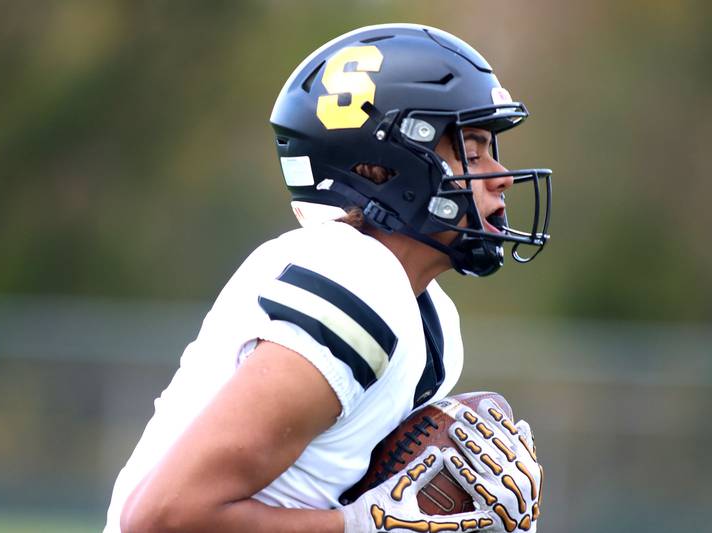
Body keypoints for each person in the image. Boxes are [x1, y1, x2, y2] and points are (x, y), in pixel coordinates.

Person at [105, 23, 551, 533]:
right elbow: (162, 518)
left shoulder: (432, 317)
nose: (501, 176)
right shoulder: (357, 280)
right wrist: (368, 525)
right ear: (386, 166)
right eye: (471, 151)